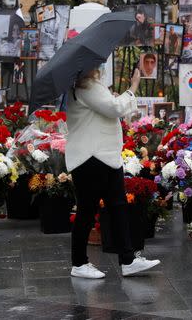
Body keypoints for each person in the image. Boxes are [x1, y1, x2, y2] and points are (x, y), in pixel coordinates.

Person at [66, 67, 159, 279]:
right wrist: (133, 86)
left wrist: (113, 99)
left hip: (105, 157)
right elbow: (115, 108)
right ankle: (79, 263)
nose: (99, 67)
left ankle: (128, 259)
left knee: (117, 207)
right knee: (87, 212)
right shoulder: (86, 86)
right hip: (92, 158)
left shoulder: (88, 87)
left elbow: (107, 107)